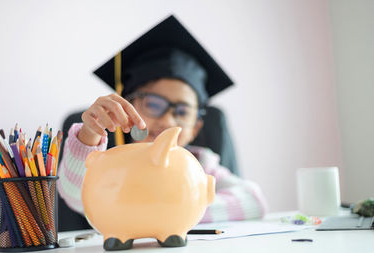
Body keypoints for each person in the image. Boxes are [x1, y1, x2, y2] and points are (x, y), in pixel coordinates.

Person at [57, 15, 267, 225]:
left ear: (195, 128)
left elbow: (252, 201)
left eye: (182, 112)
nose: (167, 121)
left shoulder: (200, 163)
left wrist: (174, 208)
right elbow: (77, 197)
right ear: (128, 108)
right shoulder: (111, 162)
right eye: (153, 104)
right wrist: (89, 135)